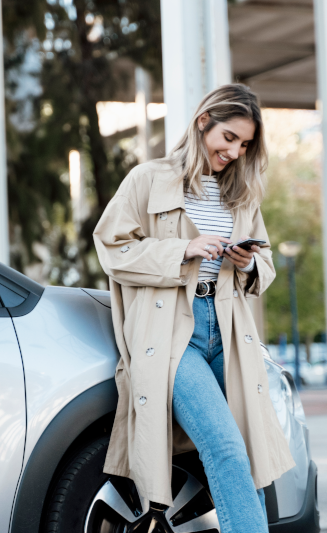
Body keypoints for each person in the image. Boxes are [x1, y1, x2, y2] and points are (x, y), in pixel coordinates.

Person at [94, 84, 295, 533]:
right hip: (172, 332)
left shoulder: (242, 193)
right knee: (224, 446)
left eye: (244, 145)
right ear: (203, 122)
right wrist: (185, 248)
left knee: (250, 447)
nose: (235, 152)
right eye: (229, 138)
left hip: (227, 327)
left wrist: (247, 263)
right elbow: (111, 248)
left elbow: (265, 265)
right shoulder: (148, 178)